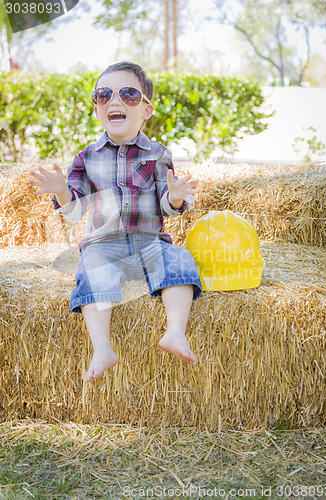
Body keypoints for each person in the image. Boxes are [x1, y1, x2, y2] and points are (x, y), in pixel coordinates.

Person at [29, 61, 202, 382]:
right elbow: (75, 211)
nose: (115, 101)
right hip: (102, 247)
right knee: (93, 273)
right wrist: (63, 192)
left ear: (146, 110)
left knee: (179, 260)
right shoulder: (85, 158)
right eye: (104, 95)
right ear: (97, 109)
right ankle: (102, 348)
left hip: (150, 243)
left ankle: (175, 332)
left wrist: (176, 195)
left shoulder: (158, 154)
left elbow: (168, 205)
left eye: (129, 94)